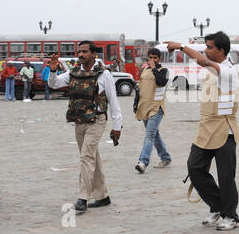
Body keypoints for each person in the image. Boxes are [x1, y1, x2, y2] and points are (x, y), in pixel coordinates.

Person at [165, 31, 239, 231]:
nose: (206, 51)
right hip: (205, 128)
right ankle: (216, 206)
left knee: (226, 176)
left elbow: (202, 61)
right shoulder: (213, 70)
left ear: (221, 50)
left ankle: (231, 215)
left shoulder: (228, 71)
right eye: (206, 47)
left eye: (210, 47)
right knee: (195, 168)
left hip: (224, 129)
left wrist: (181, 47)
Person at [48, 40, 122, 212]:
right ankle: (103, 196)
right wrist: (53, 70)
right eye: (79, 52)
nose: (81, 55)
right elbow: (54, 84)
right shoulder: (74, 72)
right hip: (79, 121)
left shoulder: (104, 74)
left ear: (94, 54)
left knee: (86, 157)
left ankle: (82, 198)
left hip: (96, 120)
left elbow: (113, 101)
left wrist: (117, 126)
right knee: (91, 157)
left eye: (85, 52)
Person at [134, 48, 172, 173]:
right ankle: (165, 157)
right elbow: (139, 88)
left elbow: (161, 82)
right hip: (144, 106)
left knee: (149, 135)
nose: (153, 60)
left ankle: (143, 162)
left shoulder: (163, 71)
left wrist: (154, 68)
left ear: (159, 59)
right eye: (150, 57)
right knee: (155, 134)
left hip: (156, 108)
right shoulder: (144, 70)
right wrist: (136, 104)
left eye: (155, 58)